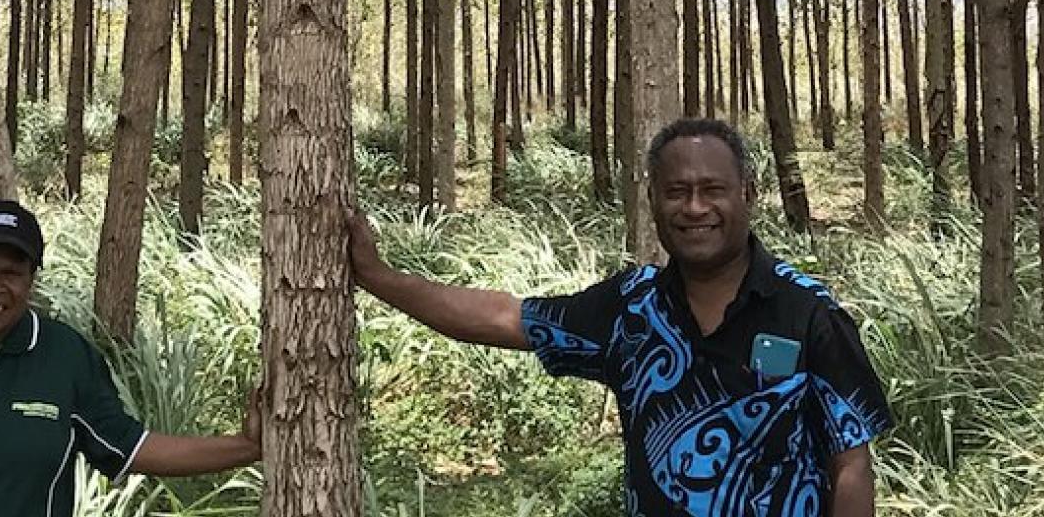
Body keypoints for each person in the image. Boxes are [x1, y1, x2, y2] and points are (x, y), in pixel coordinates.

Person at [350, 117, 892, 516]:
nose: (695, 208)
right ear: (654, 199)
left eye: (713, 190)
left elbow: (850, 465)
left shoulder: (807, 310)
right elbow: (505, 317)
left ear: (748, 195)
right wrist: (378, 278)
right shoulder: (631, 309)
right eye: (677, 192)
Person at [0, 198, 260, 514]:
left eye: (11, 273)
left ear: (31, 280)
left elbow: (131, 448)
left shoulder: (65, 358)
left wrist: (246, 446)